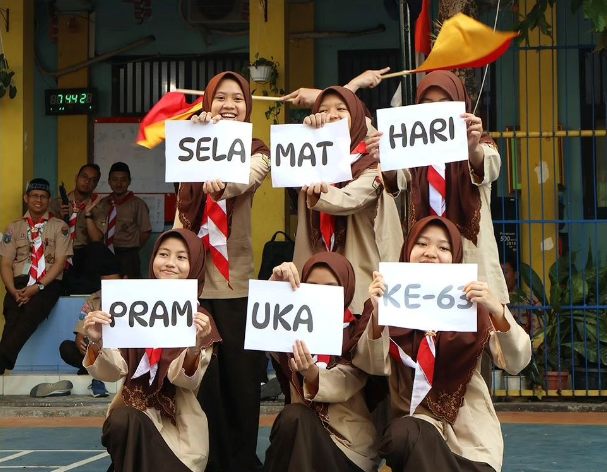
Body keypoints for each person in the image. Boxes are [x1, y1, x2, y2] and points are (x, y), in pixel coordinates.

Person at [354, 216, 531, 472]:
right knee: (403, 434)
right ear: (407, 249)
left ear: (455, 256)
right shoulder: (385, 302)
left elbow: (516, 362)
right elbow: (370, 365)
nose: (430, 253)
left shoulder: (474, 306)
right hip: (417, 430)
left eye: (443, 247)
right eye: (421, 244)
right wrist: (379, 314)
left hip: (472, 441)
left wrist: (498, 310)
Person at [173, 71, 270, 472]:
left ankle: (241, 461)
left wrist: (220, 177)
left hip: (235, 284)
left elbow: (246, 177)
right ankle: (205, 460)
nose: (229, 105)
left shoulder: (258, 150)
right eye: (221, 98)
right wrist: (198, 137)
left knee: (240, 382)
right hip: (192, 281)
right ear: (208, 102)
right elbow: (181, 205)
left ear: (248, 106)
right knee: (202, 385)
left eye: (238, 98)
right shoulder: (190, 141)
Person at [83, 229, 222, 472]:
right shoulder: (130, 307)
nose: (170, 263)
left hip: (178, 437)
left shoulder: (199, 320)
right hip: (134, 421)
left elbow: (186, 380)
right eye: (163, 254)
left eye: (181, 257)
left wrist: (194, 347)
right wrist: (97, 342)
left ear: (196, 265)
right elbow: (112, 372)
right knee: (122, 418)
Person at [366, 70, 510, 305]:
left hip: (470, 253)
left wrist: (472, 148)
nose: (435, 110)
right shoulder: (411, 147)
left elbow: (490, 166)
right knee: (428, 321)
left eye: (445, 102)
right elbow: (395, 181)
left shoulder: (478, 141)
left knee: (477, 318)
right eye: (427, 103)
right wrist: (386, 159)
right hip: (426, 255)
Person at [264, 253, 380, 472]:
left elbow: (348, 381)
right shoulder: (291, 327)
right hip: (299, 434)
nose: (320, 294)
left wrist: (311, 373)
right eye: (312, 286)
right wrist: (274, 289)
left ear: (346, 290)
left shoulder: (357, 331)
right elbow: (263, 331)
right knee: (294, 417)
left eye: (330, 288)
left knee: (296, 416)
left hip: (346, 447)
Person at [292, 86, 403, 315]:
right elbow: (289, 175)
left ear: (356, 115)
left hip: (362, 275)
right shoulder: (311, 157)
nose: (332, 115)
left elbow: (351, 199)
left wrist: (318, 194)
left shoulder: (374, 159)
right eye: (323, 110)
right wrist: (308, 137)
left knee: (361, 329)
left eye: (341, 109)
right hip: (317, 274)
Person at [0, 179, 72, 375]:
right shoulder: (14, 228)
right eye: (34, 196)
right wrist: (12, 289)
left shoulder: (60, 227)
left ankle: (1, 360)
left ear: (49, 200)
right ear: (26, 198)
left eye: (43, 196)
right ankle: (2, 363)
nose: (38, 200)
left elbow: (60, 263)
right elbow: (5, 263)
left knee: (30, 316)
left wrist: (37, 287)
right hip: (19, 282)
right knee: (12, 316)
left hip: (47, 283)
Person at [60, 251, 123, 396]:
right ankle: (94, 371)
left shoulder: (135, 299)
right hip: (98, 350)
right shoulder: (94, 299)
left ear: (124, 279)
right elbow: (81, 334)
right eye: (105, 284)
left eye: (113, 283)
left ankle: (94, 372)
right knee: (67, 348)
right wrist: (80, 341)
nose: (109, 287)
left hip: (123, 353)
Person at [50, 163, 107, 294]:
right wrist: (59, 218)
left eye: (92, 180)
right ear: (76, 178)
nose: (87, 182)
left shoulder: (98, 208)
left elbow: (96, 240)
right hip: (57, 253)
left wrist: (88, 215)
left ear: (96, 185)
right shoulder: (57, 203)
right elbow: (44, 233)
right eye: (84, 177)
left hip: (83, 256)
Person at [97, 162, 152, 279]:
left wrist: (133, 249)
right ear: (109, 181)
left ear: (129, 182)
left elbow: (146, 233)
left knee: (129, 287)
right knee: (106, 287)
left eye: (123, 180)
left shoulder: (138, 204)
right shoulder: (103, 203)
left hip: (128, 256)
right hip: (106, 254)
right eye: (115, 180)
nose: (119, 184)